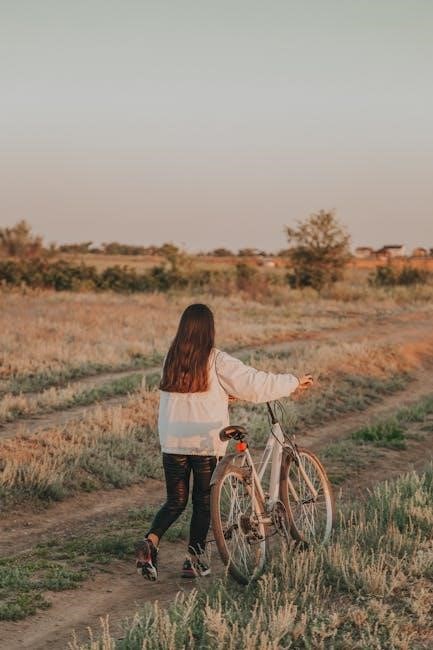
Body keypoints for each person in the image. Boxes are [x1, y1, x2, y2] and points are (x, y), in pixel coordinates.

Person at [135, 303, 313, 581]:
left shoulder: (171, 359)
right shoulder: (215, 359)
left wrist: (221, 395)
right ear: (209, 329)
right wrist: (292, 382)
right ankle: (193, 560)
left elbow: (189, 392)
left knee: (176, 501)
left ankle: (151, 542)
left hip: (173, 441)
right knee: (203, 502)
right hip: (204, 441)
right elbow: (254, 383)